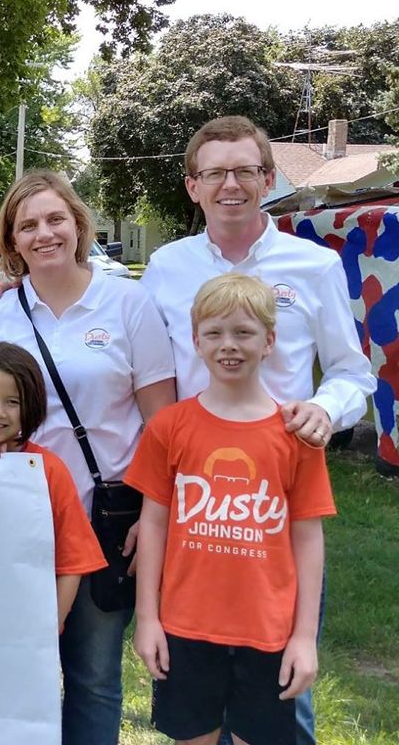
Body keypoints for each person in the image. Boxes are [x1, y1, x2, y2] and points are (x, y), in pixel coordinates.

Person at [139, 116, 375, 744]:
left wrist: (327, 409)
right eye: (215, 173)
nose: (231, 185)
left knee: (281, 694)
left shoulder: (315, 265)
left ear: (269, 179)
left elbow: (354, 373)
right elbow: (151, 374)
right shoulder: (166, 266)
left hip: (278, 487)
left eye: (245, 170)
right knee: (192, 686)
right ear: (193, 186)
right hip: (192, 496)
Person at [0, 169, 176, 745]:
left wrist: (157, 514)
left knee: (95, 678)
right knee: (6, 674)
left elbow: (163, 422)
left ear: (78, 224)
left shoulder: (127, 302)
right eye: (27, 226)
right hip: (12, 528)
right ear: (11, 242)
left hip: (104, 522)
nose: (43, 234)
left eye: (55, 219)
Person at [127, 273, 334, 745]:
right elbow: (154, 524)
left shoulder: (295, 436)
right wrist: (147, 619)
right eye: (215, 333)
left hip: (267, 630)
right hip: (185, 624)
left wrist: (304, 637)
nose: (229, 345)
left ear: (270, 341)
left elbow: (307, 536)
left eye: (244, 332)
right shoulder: (170, 427)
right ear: (195, 342)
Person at [0, 342, 107, 633]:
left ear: (30, 405)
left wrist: (54, 621)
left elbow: (72, 560)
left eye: (12, 402)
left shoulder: (49, 470)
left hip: (23, 627)